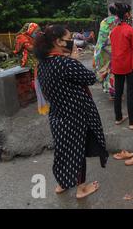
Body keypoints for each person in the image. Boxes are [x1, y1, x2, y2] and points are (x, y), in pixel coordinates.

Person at [34, 25, 109, 199]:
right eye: (68, 39)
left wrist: (71, 58)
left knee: (63, 151)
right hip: (74, 115)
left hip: (57, 115)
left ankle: (62, 184)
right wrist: (98, 70)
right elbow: (90, 78)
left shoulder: (44, 63)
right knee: (77, 151)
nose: (72, 42)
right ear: (58, 42)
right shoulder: (65, 63)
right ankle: (81, 189)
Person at [110, 3, 133, 132]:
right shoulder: (130, 30)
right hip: (129, 65)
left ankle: (118, 117)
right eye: (130, 13)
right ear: (127, 15)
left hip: (116, 65)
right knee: (131, 93)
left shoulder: (113, 30)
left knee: (118, 92)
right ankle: (132, 122)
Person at [94, 6, 120, 100]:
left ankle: (109, 90)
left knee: (106, 69)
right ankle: (114, 92)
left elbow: (102, 35)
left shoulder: (104, 21)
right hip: (111, 47)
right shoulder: (117, 21)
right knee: (112, 70)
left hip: (101, 47)